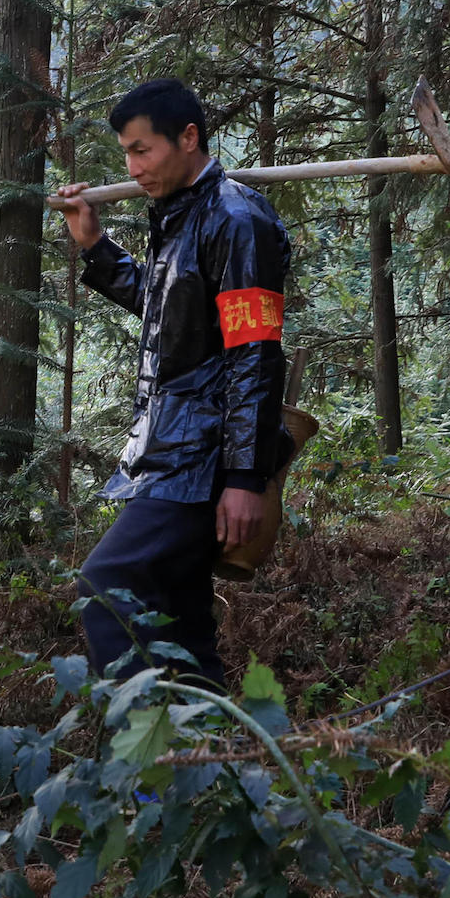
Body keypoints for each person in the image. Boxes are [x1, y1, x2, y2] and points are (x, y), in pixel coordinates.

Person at [52, 78, 291, 688]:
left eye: (142, 150)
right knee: (182, 626)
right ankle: (205, 768)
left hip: (204, 459)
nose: (132, 168)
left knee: (105, 581)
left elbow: (255, 354)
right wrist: (97, 247)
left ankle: (144, 750)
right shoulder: (181, 214)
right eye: (126, 154)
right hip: (166, 449)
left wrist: (245, 478)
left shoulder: (237, 220)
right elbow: (171, 312)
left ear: (188, 138)